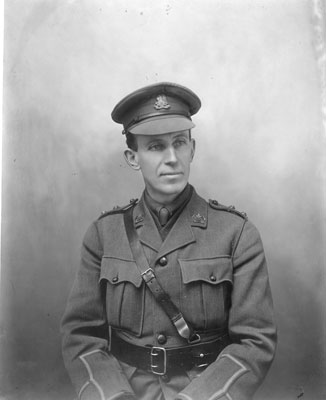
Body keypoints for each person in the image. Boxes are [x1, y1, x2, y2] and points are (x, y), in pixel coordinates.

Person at [61, 82, 277, 400]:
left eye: (179, 142)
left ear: (193, 148)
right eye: (156, 147)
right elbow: (81, 336)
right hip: (123, 390)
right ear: (132, 157)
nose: (172, 158)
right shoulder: (104, 234)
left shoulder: (237, 234)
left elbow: (254, 342)